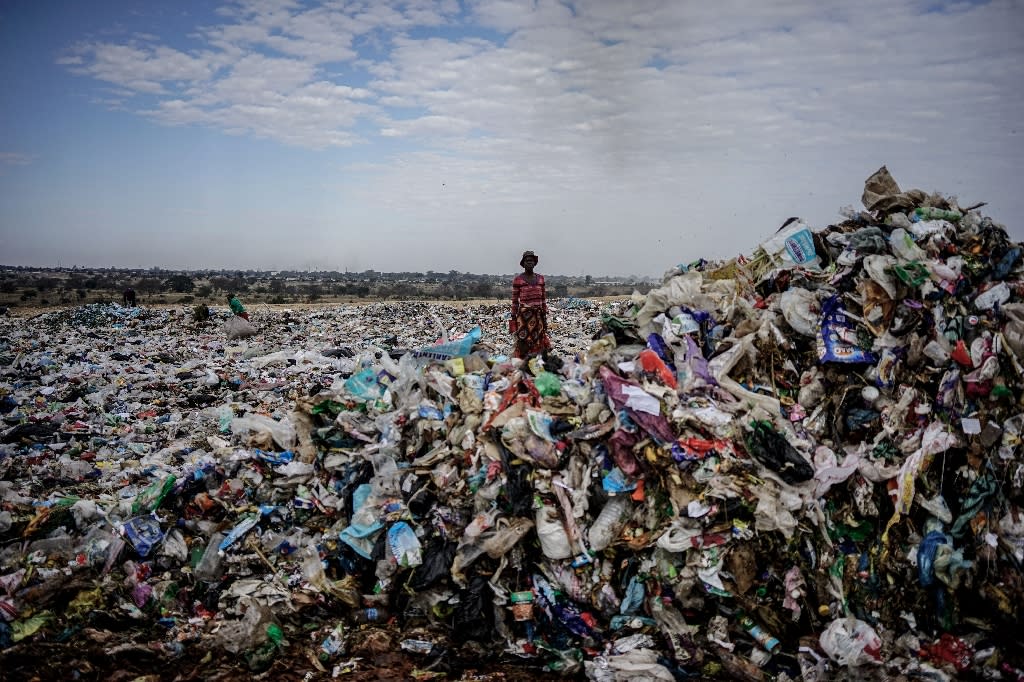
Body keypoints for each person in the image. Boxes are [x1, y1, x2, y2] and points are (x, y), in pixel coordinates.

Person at [510, 250, 551, 359]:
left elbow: (543, 299)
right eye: (527, 261)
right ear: (523, 263)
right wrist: (513, 317)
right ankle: (524, 361)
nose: (529, 263)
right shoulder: (518, 280)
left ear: (535, 263)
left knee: (539, 339)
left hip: (538, 315)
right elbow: (515, 300)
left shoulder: (541, 279)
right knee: (524, 340)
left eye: (531, 261)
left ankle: (537, 361)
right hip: (524, 316)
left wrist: (544, 315)